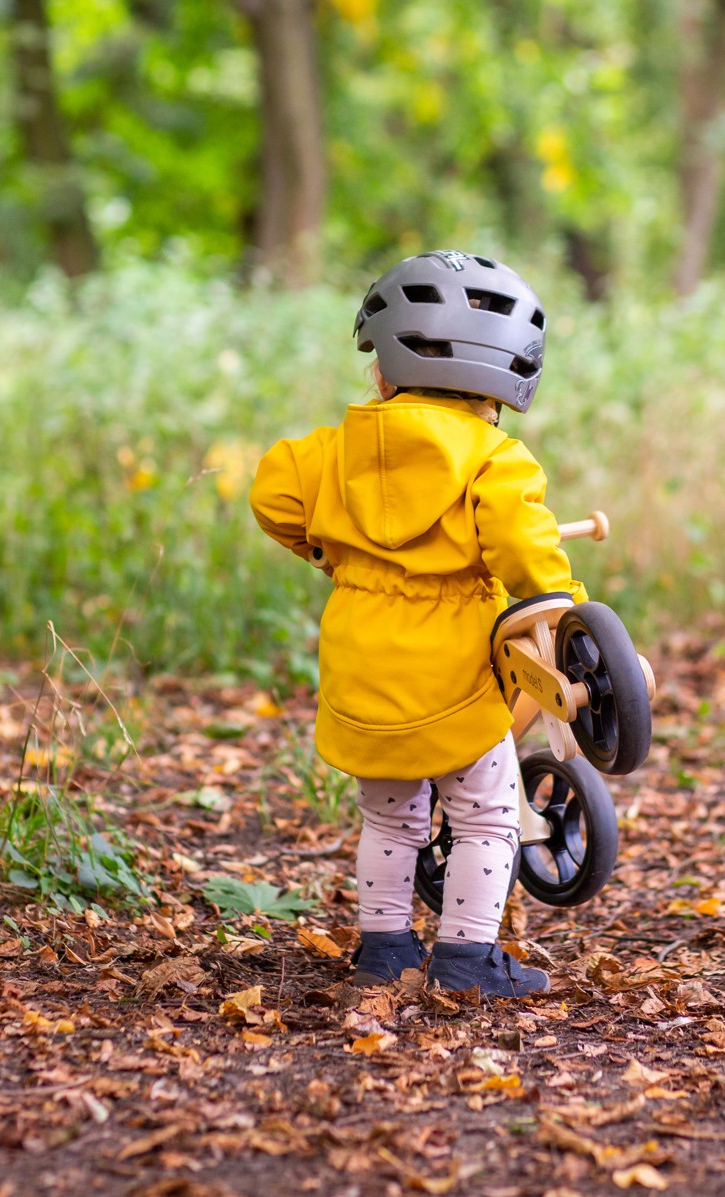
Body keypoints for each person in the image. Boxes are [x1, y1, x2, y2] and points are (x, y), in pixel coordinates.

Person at [249, 251, 589, 998]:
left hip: (362, 660)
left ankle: (384, 950)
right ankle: (466, 962)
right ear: (507, 384)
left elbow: (271, 492)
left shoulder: (329, 453)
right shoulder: (497, 461)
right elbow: (527, 552)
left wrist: (330, 548)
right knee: (488, 814)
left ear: (382, 372)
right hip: (453, 670)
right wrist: (565, 609)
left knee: (392, 817)